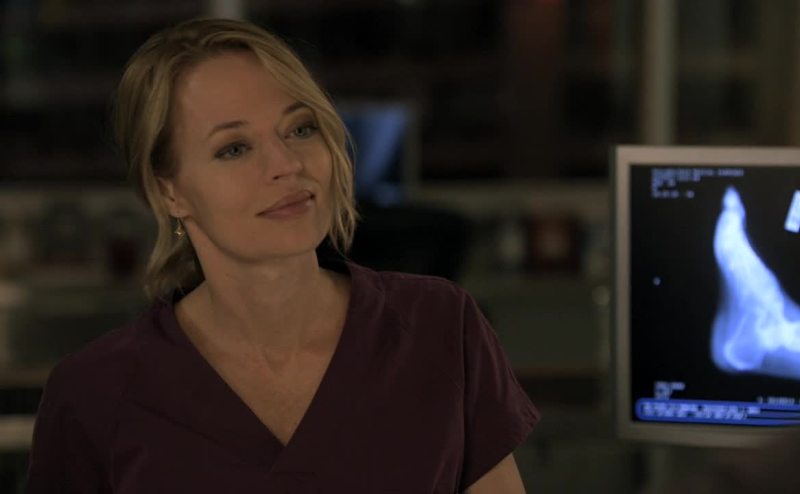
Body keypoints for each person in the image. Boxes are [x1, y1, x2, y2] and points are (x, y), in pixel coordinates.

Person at [26, 18, 539, 493]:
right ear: (169, 192)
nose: (287, 164)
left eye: (300, 128)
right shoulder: (93, 394)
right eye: (234, 148)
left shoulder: (440, 327)